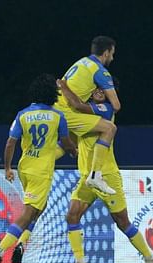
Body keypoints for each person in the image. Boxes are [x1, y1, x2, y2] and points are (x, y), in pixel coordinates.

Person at [58, 79, 153, 263]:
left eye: (102, 89)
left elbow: (76, 104)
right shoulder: (83, 117)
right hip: (88, 178)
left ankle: (150, 257)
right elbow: (70, 139)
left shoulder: (105, 110)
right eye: (95, 87)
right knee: (72, 215)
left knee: (122, 222)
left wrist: (63, 87)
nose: (97, 91)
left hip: (107, 176)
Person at [0, 73, 77, 263]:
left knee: (39, 209)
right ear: (52, 94)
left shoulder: (23, 114)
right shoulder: (57, 116)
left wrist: (8, 167)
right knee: (29, 213)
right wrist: (74, 152)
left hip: (24, 167)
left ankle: (21, 244)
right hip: (41, 171)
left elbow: (11, 143)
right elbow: (67, 142)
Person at [53, 36, 121, 195]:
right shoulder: (101, 72)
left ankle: (39, 163)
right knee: (110, 128)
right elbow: (116, 106)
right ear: (106, 53)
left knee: (69, 142)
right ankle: (96, 175)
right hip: (66, 111)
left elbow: (79, 104)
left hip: (58, 107)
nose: (112, 57)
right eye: (112, 53)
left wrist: (63, 86)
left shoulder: (82, 62)